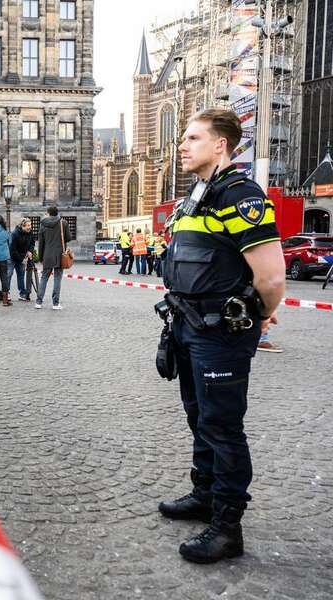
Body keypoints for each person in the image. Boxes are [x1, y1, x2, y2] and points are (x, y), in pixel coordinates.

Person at [159, 108, 286, 564]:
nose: (183, 145)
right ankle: (205, 495)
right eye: (183, 138)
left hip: (222, 332)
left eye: (193, 138)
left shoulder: (240, 193)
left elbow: (271, 277)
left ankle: (228, 527)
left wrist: (260, 318)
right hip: (189, 326)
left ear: (220, 145)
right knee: (199, 416)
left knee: (223, 425)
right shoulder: (197, 194)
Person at [35, 206, 69, 311]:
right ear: (57, 213)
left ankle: (38, 302)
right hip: (59, 255)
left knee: (44, 278)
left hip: (47, 255)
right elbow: (68, 238)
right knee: (57, 279)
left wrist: (40, 257)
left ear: (48, 213)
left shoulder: (43, 224)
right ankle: (55, 303)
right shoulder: (63, 223)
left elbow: (41, 243)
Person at [10, 218, 35, 301]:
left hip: (22, 256)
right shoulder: (15, 234)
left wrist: (30, 251)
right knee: (8, 274)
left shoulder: (30, 232)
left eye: (30, 225)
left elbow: (32, 243)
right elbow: (12, 250)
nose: (30, 227)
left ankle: (22, 294)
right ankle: (6, 293)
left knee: (21, 275)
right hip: (12, 257)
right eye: (28, 225)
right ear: (22, 226)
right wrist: (21, 259)